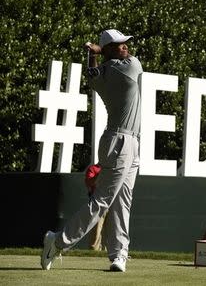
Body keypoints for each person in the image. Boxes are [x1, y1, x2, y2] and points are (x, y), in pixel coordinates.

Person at [41, 29, 143, 272]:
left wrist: (93, 54)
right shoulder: (128, 67)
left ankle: (118, 254)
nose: (126, 47)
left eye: (125, 43)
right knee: (103, 201)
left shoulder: (102, 74)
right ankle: (57, 241)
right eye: (119, 45)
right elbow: (106, 66)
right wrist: (98, 53)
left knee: (122, 201)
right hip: (120, 141)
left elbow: (92, 72)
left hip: (127, 141)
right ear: (108, 50)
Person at [85, 164, 107, 251]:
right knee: (95, 234)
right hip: (98, 202)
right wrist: (101, 173)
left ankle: (110, 255)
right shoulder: (93, 168)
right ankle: (94, 254)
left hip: (113, 202)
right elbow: (89, 183)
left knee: (112, 234)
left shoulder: (114, 168)